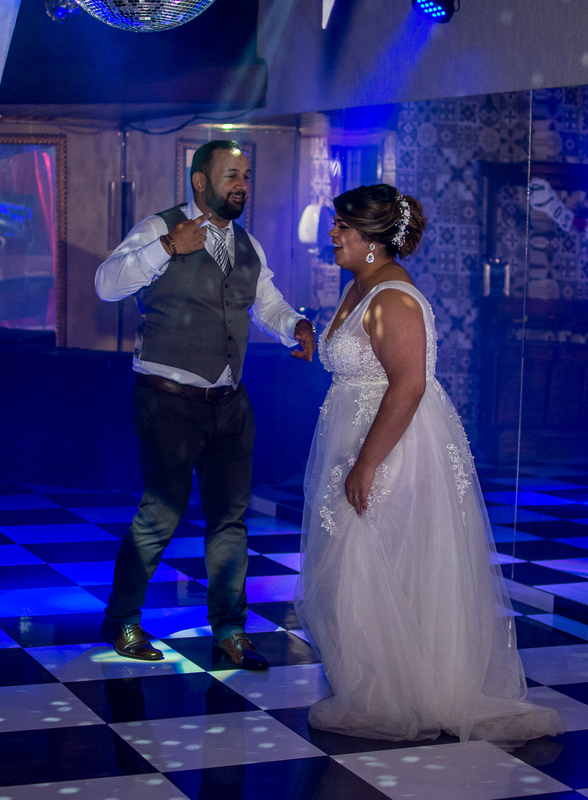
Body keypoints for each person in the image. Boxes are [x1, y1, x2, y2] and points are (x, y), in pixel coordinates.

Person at [295, 184, 563, 743]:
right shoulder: (359, 285)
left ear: (372, 239)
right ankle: (377, 688)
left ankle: (398, 696)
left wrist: (366, 464)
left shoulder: (393, 297)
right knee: (354, 570)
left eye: (342, 226)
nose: (333, 234)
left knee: (373, 563)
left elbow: (409, 385)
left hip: (390, 446)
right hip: (354, 436)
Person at [95, 140, 316, 669]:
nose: (242, 185)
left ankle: (231, 632)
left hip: (230, 402)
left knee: (230, 521)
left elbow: (267, 303)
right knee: (161, 514)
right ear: (200, 181)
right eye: (231, 175)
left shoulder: (248, 246)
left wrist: (295, 326)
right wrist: (167, 247)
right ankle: (122, 619)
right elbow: (106, 284)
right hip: (167, 400)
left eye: (246, 175)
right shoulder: (159, 227)